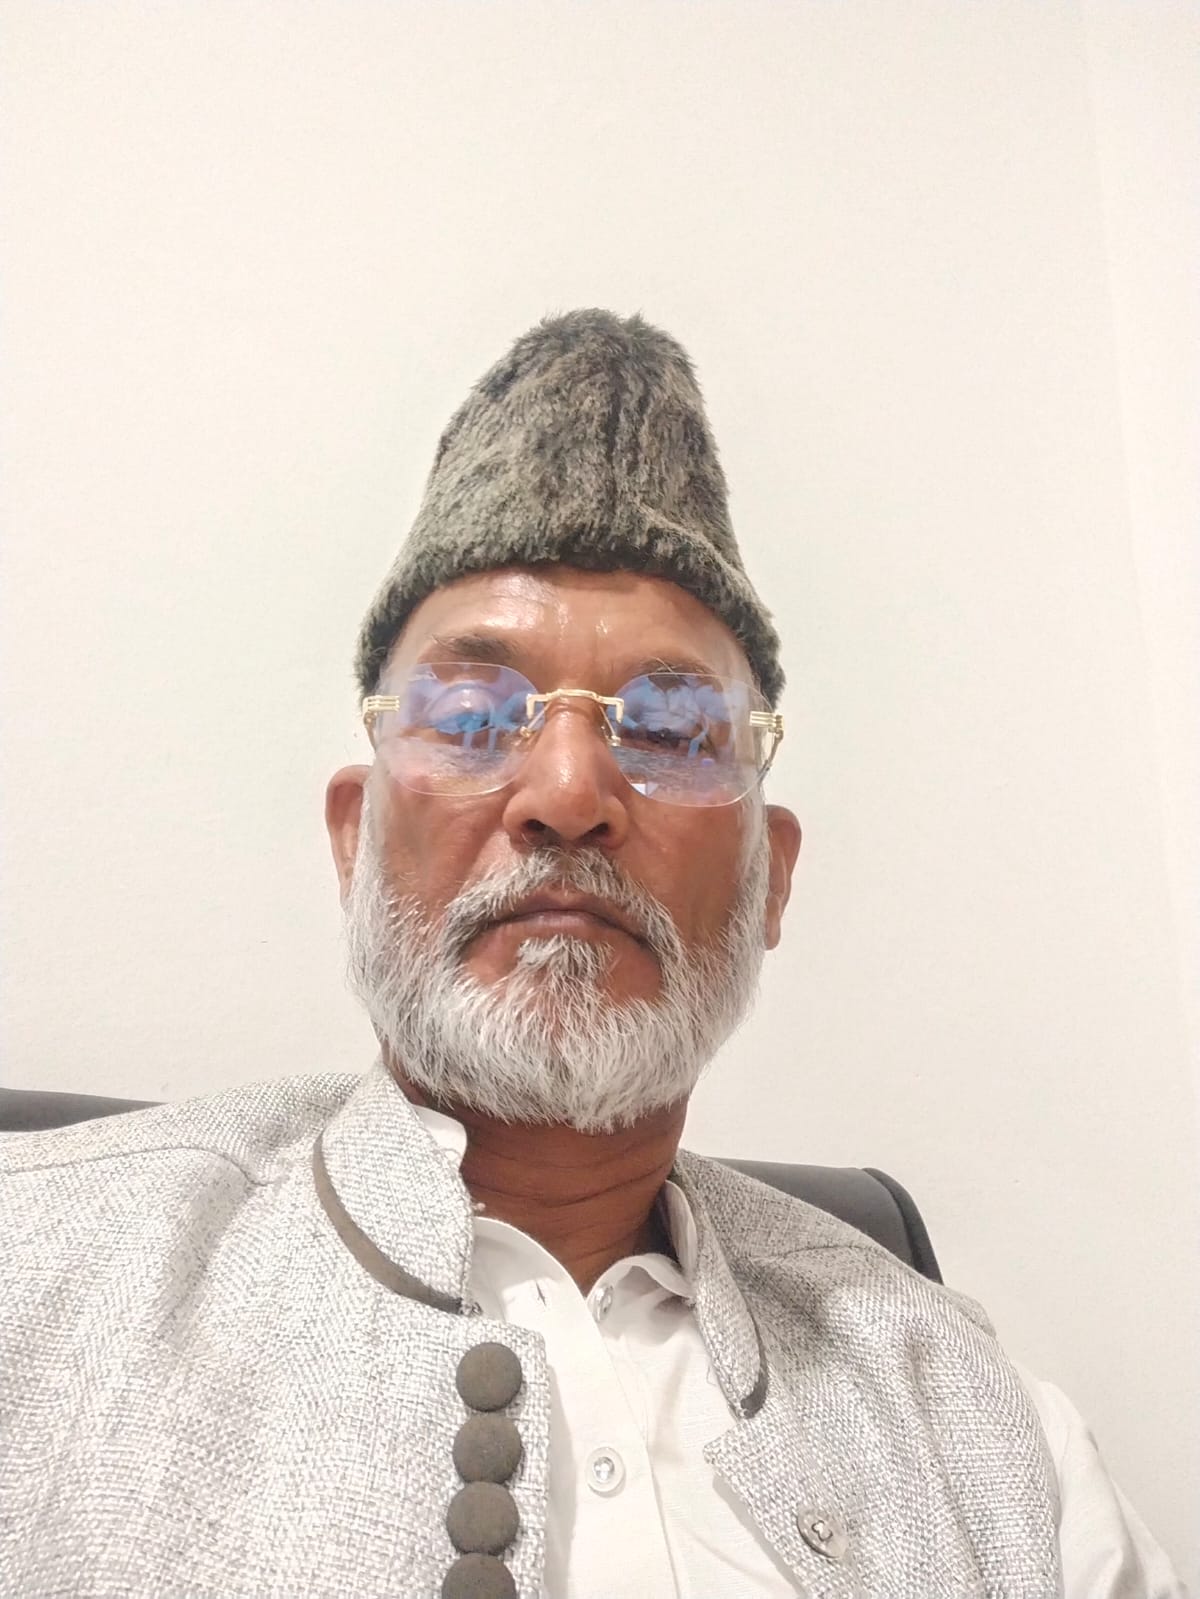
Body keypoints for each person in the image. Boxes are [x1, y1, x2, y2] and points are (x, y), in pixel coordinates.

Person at [0, 310, 1184, 1599]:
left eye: (668, 732)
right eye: (474, 717)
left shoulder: (987, 1432)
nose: (568, 794)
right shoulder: (41, 1277)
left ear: (772, 877)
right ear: (354, 840)